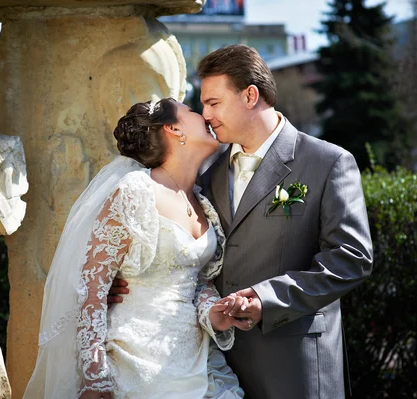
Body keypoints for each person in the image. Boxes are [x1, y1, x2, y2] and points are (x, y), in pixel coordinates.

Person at [110, 44, 373, 398]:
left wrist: (267, 299)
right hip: (215, 363)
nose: (205, 114)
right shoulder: (204, 171)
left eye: (213, 103)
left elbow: (352, 258)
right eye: (202, 104)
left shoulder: (328, 162)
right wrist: (123, 281)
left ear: (250, 96)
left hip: (294, 362)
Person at [24, 98, 246, 398]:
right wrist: (95, 375)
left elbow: (196, 280)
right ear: (173, 128)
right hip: (135, 358)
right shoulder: (135, 192)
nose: (204, 115)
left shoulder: (201, 200)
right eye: (193, 111)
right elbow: (92, 288)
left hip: (195, 358)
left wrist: (213, 312)